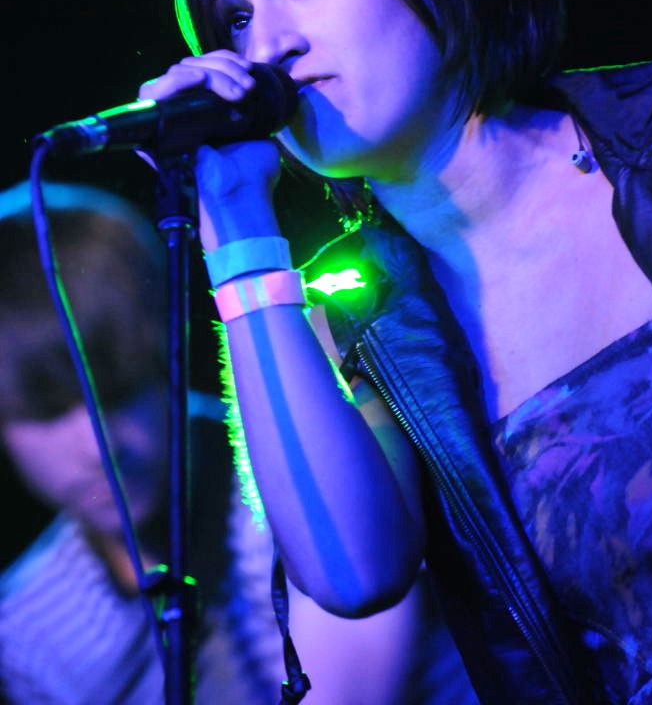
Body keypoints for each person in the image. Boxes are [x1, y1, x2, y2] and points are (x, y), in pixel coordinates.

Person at [140, 0, 652, 705]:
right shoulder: (360, 326)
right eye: (233, 18)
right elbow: (354, 575)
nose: (268, 46)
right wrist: (236, 231)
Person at [0, 180, 476, 705]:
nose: (100, 448)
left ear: (166, 353)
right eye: (48, 412)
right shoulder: (25, 634)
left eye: (120, 391)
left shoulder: (314, 460)